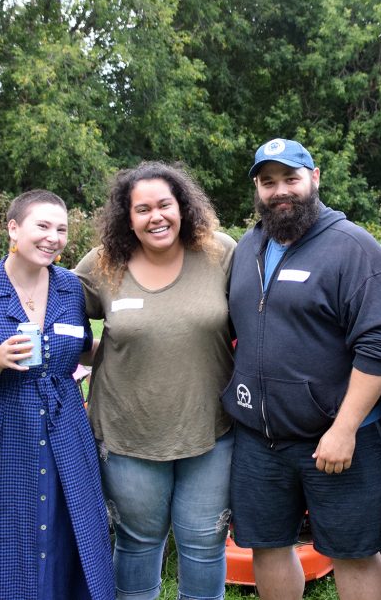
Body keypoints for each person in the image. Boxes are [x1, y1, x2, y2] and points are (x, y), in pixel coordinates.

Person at [223, 138, 381, 600]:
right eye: (268, 182)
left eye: (291, 179)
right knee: (267, 547)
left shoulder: (353, 247)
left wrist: (343, 429)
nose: (280, 191)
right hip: (259, 438)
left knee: (355, 552)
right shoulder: (247, 248)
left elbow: (379, 346)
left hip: (339, 438)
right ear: (257, 190)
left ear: (315, 179)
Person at [74, 162, 236, 600]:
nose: (156, 216)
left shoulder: (219, 252)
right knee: (137, 543)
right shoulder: (103, 264)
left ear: (182, 207)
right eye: (142, 209)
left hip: (210, 432)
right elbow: (55, 313)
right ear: (127, 218)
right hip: (128, 436)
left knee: (203, 546)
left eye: (165, 204)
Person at [0, 190, 115, 599]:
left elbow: (84, 347)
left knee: (70, 530)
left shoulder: (72, 290)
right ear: (13, 228)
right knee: (4, 535)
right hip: (1, 433)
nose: (53, 237)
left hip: (67, 429)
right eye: (42, 226)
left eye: (61, 229)